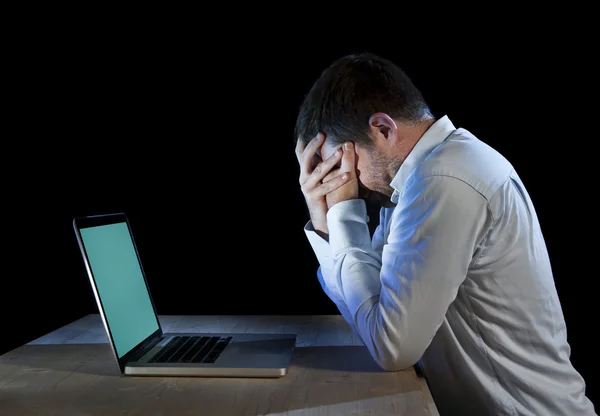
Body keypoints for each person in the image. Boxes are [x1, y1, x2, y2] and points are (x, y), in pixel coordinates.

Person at [294, 52, 596, 415]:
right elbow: (371, 304)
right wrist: (325, 221)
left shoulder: (443, 179)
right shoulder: (422, 176)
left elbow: (391, 347)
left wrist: (343, 213)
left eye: (341, 164)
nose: (345, 182)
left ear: (383, 129)